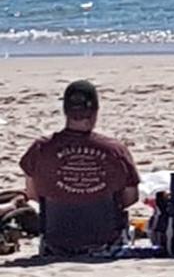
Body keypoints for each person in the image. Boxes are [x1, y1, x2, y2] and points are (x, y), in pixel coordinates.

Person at [20, 79, 140, 255]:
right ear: (95, 111)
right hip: (104, 242)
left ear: (65, 111)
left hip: (55, 242)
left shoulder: (40, 149)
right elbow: (131, 198)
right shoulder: (114, 151)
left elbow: (33, 194)